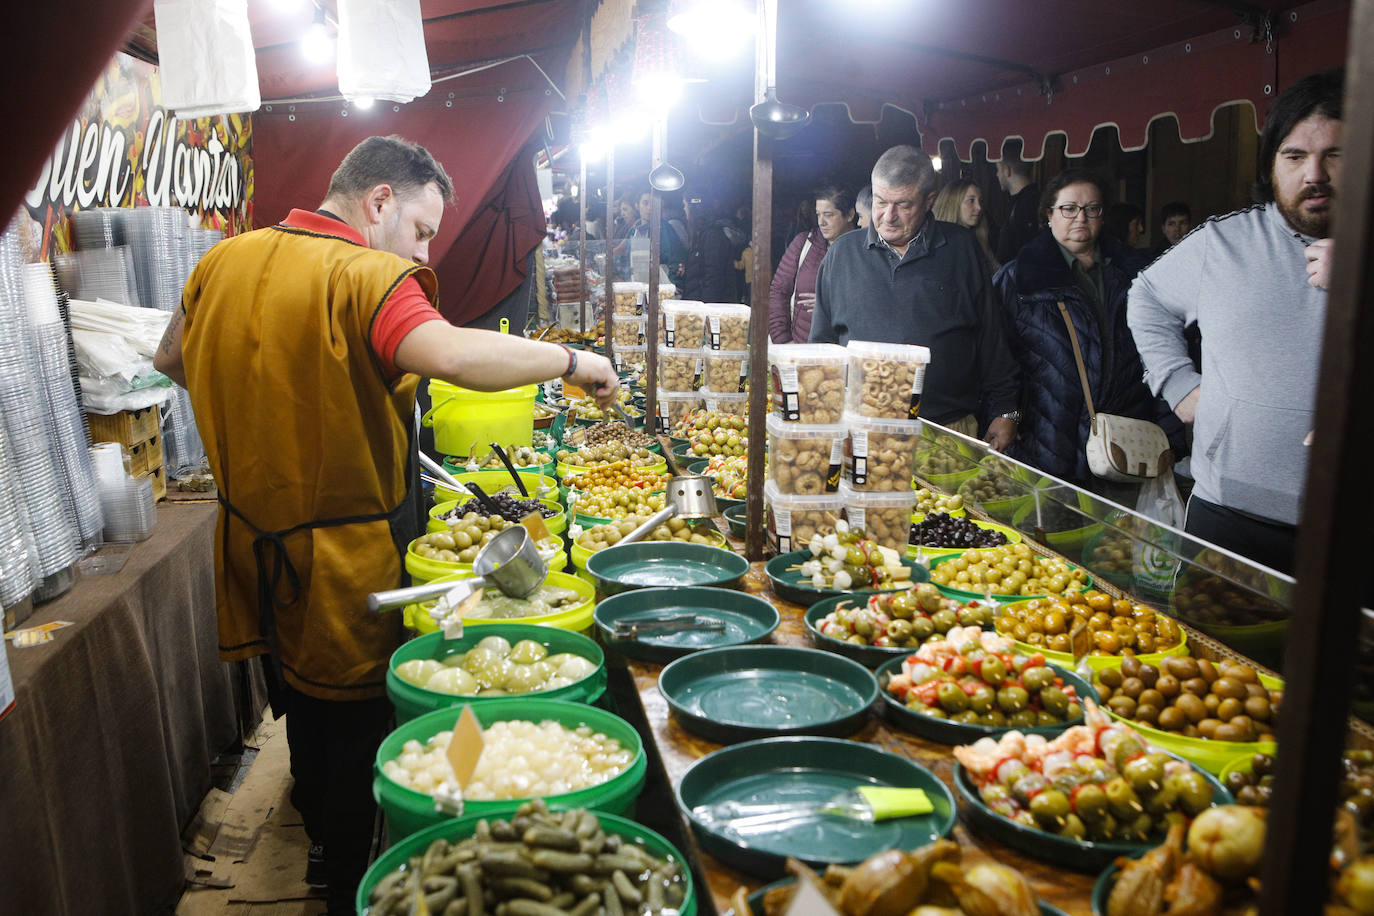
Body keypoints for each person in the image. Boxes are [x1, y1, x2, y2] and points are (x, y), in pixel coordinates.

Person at [153, 135, 619, 914]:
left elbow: (172, 355)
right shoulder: (366, 274)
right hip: (340, 557)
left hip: (251, 546)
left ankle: (322, 840)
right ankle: (349, 881)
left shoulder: (221, 263)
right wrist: (570, 362)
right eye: (423, 229)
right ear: (378, 203)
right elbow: (451, 356)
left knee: (297, 701)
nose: (424, 247)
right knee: (354, 732)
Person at [1127, 69, 1343, 574]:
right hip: (1228, 510)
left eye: (1335, 154)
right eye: (1294, 156)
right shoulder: (1223, 243)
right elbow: (1147, 297)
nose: (1315, 174)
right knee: (1207, 651)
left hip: (1352, 521)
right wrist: (1177, 384)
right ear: (1272, 165)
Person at [808, 145, 1019, 448]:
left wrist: (1006, 409)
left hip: (947, 431)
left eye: (903, 205)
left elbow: (991, 337)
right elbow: (822, 347)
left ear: (929, 201)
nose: (888, 217)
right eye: (880, 202)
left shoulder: (961, 248)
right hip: (861, 430)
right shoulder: (841, 254)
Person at [993, 169, 1180, 486]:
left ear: (1102, 216)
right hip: (1048, 442)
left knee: (1119, 533)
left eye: (1091, 209)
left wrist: (1170, 432)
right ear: (1049, 215)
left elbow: (1164, 350)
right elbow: (997, 362)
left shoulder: (1136, 275)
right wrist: (1008, 416)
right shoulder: (1019, 279)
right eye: (1068, 209)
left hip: (1125, 445)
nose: (1080, 218)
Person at [770, 184, 856, 343]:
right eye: (818, 214)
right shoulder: (804, 243)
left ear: (850, 214)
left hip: (845, 352)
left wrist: (830, 304)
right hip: (801, 346)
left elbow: (874, 304)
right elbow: (778, 291)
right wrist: (782, 340)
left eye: (829, 215)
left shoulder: (863, 251)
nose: (821, 222)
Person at [681, 191, 747, 303]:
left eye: (685, 205)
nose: (684, 209)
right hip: (697, 309)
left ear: (694, 208)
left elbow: (713, 279)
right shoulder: (701, 235)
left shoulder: (713, 237)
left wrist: (706, 314)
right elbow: (702, 270)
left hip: (708, 311)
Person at [933, 178, 998, 276]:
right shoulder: (940, 245)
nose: (979, 207)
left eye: (980, 201)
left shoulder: (981, 240)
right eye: (971, 200)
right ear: (953, 203)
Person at [630, 187, 688, 284]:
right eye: (645, 203)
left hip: (660, 288)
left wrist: (672, 289)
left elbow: (676, 263)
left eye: (653, 204)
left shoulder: (665, 229)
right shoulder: (633, 231)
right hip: (637, 285)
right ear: (637, 205)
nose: (649, 208)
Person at [994, 150, 1039, 263]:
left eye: (998, 169)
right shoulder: (1035, 198)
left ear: (1007, 170)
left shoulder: (1025, 206)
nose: (997, 174)